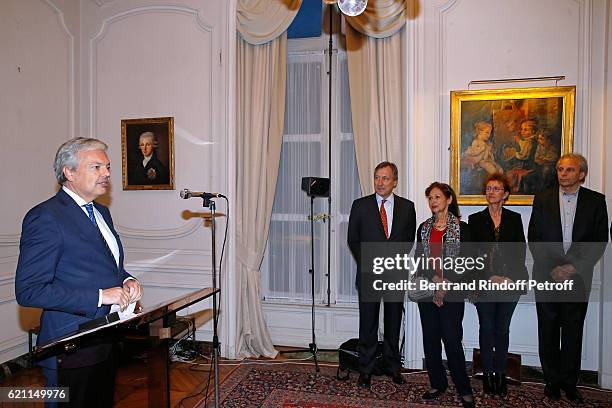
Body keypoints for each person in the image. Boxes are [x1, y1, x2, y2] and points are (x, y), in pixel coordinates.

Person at [15, 137, 143, 408]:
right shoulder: (46, 217)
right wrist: (99, 296)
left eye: (107, 166)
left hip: (105, 336)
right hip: (69, 346)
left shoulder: (102, 212)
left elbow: (105, 266)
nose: (107, 173)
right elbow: (29, 290)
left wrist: (126, 279)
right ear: (69, 172)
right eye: (96, 167)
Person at [528, 153, 608, 403]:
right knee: (548, 328)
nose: (563, 174)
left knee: (573, 329)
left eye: (569, 170)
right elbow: (535, 238)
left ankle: (569, 382)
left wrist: (574, 267)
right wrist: (553, 268)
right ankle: (551, 381)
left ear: (582, 174)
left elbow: (599, 241)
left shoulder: (596, 201)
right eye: (560, 169)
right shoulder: (543, 199)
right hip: (546, 273)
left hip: (578, 276)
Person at [347, 161, 416, 388]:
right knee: (368, 323)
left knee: (393, 322)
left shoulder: (408, 207)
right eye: (377, 177)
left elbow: (408, 240)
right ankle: (365, 369)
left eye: (385, 178)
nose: (380, 182)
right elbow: (353, 240)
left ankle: (392, 367)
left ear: (394, 181)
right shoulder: (360, 205)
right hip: (369, 274)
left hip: (396, 273)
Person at [468, 173, 528, 397]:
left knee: (502, 329)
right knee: (487, 328)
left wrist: (509, 277)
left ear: (506, 194)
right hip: (484, 284)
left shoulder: (514, 219)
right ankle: (488, 373)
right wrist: (490, 277)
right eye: (488, 188)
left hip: (510, 283)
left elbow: (519, 250)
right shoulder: (475, 219)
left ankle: (500, 373)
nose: (491, 192)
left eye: (496, 188)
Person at [416, 182, 475, 408]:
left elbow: (467, 262)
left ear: (449, 199)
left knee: (451, 340)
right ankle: (437, 384)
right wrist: (434, 281)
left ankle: (464, 389)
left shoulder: (463, 229)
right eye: (430, 197)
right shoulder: (423, 228)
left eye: (438, 197)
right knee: (430, 340)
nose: (433, 201)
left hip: (453, 291)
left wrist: (446, 283)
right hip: (427, 290)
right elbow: (420, 260)